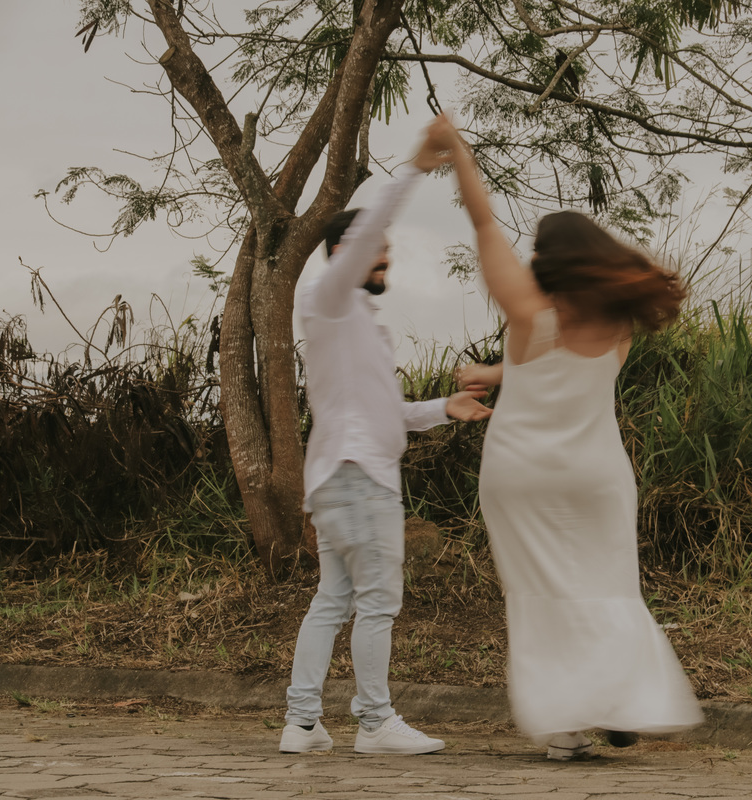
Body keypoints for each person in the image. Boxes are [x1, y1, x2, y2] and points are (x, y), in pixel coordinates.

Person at [437, 115, 704, 761]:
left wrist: (459, 150)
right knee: (607, 588)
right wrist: (499, 372)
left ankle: (566, 728)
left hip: (521, 475)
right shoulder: (621, 325)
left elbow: (483, 223)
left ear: (545, 260)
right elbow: (568, 374)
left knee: (540, 594)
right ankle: (624, 697)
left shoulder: (528, 314)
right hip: (594, 476)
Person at [278, 124, 491, 756]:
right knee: (376, 601)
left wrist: (443, 408)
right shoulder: (327, 297)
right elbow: (370, 228)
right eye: (378, 251)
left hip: (339, 476)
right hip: (357, 478)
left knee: (333, 599)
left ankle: (302, 724)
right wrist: (415, 168)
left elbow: (382, 413)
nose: (386, 260)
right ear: (347, 251)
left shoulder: (355, 322)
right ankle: (374, 723)